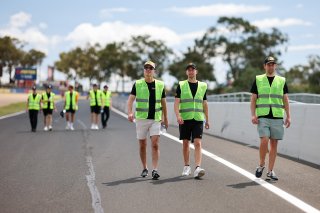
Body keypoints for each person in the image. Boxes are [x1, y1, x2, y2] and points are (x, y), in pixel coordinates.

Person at [250, 56, 291, 181]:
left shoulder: (281, 80)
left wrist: (288, 116)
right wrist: (253, 114)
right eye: (268, 64)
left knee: (274, 144)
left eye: (273, 64)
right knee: (264, 140)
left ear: (275, 66)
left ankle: (270, 170)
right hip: (263, 115)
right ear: (265, 66)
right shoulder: (258, 79)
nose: (271, 66)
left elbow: (285, 99)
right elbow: (253, 99)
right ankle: (261, 164)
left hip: (277, 116)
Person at [127, 60, 168, 180]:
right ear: (144, 70)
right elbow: (130, 100)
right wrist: (130, 112)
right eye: (146, 68)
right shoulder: (138, 84)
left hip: (156, 119)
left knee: (155, 144)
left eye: (151, 68)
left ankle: (155, 170)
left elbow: (164, 103)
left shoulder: (160, 85)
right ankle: (145, 168)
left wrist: (165, 118)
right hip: (141, 119)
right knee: (142, 145)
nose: (148, 70)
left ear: (154, 71)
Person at [174, 63, 210, 178]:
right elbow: (176, 103)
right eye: (188, 70)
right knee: (185, 143)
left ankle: (198, 168)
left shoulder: (203, 86)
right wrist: (178, 115)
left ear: (196, 72)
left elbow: (205, 104)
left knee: (198, 143)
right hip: (185, 118)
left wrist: (207, 119)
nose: (191, 72)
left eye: (192, 70)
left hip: (198, 118)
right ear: (186, 72)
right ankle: (186, 166)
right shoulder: (181, 85)